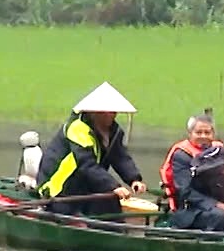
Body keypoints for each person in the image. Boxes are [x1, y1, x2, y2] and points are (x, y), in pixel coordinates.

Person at [37, 81, 146, 217]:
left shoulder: (113, 131)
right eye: (108, 111)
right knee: (72, 210)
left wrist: (134, 179)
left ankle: (115, 233)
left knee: (110, 201)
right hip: (59, 187)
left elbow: (120, 157)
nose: (113, 115)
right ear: (96, 112)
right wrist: (114, 186)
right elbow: (87, 164)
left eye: (114, 111)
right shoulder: (78, 129)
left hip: (86, 182)